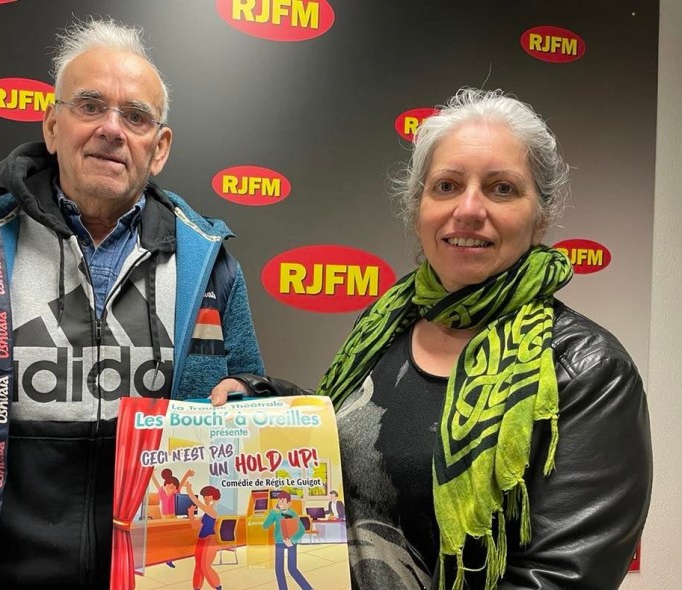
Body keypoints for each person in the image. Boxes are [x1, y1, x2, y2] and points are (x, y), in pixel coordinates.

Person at [212, 88, 652, 589]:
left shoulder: (589, 370)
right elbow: (358, 437)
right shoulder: (387, 324)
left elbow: (561, 578)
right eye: (447, 185)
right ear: (417, 207)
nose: (469, 209)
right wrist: (265, 398)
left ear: (540, 216)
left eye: (501, 188)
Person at [0, 17, 264, 590]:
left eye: (135, 117)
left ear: (159, 148)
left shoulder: (208, 263)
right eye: (90, 106)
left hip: (155, 574)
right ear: (53, 126)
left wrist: (248, 395)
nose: (112, 129)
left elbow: (249, 399)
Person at [262, 491, 314, 590]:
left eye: (283, 500)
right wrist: (273, 511)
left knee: (292, 569)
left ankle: (308, 588)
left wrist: (292, 541)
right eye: (279, 500)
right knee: (279, 570)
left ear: (289, 503)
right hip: (279, 543)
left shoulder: (293, 513)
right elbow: (265, 526)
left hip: (291, 543)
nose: (280, 502)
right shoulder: (276, 513)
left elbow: (301, 530)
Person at [184, 481, 223, 590]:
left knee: (205, 565)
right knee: (198, 565)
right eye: (205, 497)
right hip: (201, 541)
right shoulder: (207, 513)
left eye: (208, 497)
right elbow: (195, 526)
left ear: (214, 498)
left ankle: (217, 586)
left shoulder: (212, 511)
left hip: (210, 541)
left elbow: (198, 503)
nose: (206, 500)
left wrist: (189, 491)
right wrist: (191, 514)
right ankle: (197, 587)